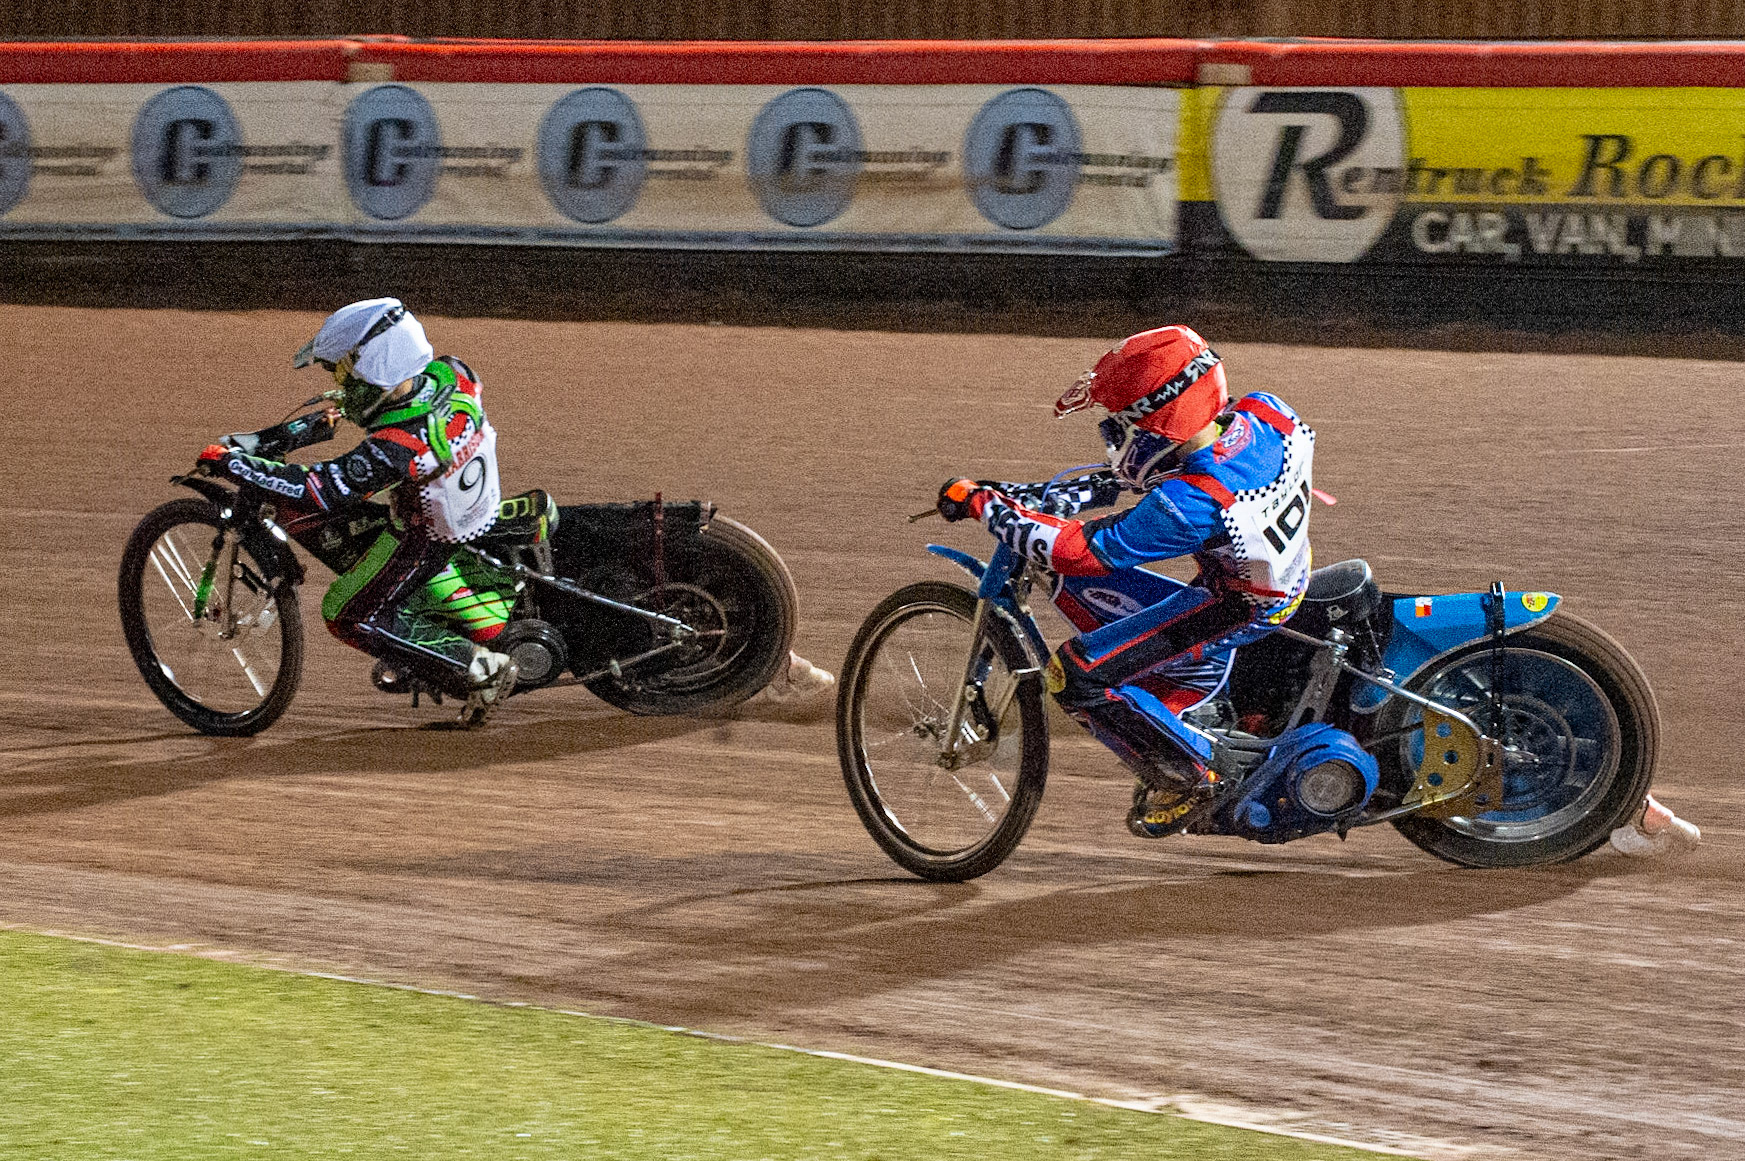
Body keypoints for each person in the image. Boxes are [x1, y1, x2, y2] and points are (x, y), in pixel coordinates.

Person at [937, 325, 1315, 837]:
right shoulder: (1266, 415)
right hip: (1281, 575)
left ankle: (1199, 774)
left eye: (1120, 423)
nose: (1112, 435)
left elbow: (1077, 552)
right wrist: (1033, 495)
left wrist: (985, 504)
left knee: (1075, 675)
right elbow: (1157, 472)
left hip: (1237, 608)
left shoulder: (1188, 506)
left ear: (1157, 422)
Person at [195, 298, 518, 727]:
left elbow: (323, 489)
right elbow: (375, 406)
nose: (343, 385)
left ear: (376, 363)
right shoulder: (450, 374)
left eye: (346, 373)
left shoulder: (397, 445)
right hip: (477, 505)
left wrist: (235, 464)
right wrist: (292, 432)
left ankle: (480, 669)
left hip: (427, 538)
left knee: (345, 613)